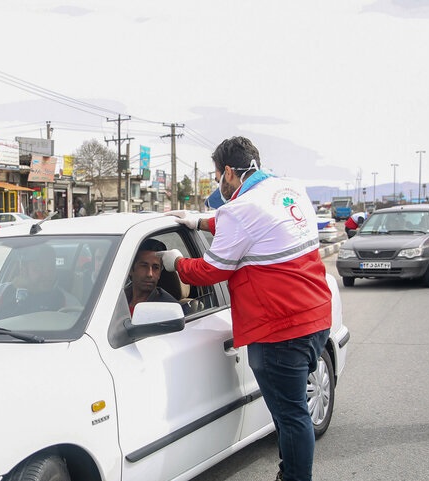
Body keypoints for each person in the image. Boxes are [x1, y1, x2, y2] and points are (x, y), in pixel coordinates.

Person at [158, 136, 332, 481]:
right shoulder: (288, 189)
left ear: (227, 172)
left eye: (217, 176)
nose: (218, 183)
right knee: (292, 411)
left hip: (280, 328)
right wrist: (202, 221)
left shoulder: (241, 209)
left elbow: (213, 270)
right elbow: (258, 223)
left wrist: (177, 263)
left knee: (290, 415)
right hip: (315, 315)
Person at [0, 243, 80, 323]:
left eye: (50, 268)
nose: (46, 274)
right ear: (23, 270)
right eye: (38, 268)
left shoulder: (68, 303)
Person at [124, 239, 177, 315]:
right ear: (130, 270)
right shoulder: (115, 300)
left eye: (155, 268)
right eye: (144, 266)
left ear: (160, 273)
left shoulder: (169, 308)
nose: (150, 274)